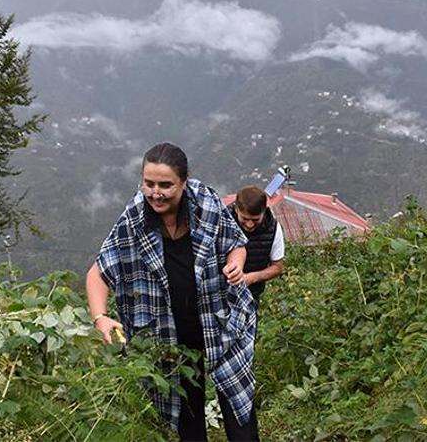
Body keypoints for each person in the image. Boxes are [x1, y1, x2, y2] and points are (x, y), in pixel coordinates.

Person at [86, 142, 260, 441]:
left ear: (184, 181)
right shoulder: (135, 219)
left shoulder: (206, 204)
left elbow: (236, 244)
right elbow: (99, 272)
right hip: (169, 337)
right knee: (186, 416)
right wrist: (100, 317)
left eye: (165, 185)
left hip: (221, 323)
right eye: (149, 183)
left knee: (238, 407)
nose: (156, 193)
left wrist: (234, 264)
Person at [228, 186, 285, 308]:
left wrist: (251, 278)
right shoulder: (223, 222)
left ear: (264, 211)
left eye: (255, 220)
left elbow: (277, 267)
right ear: (236, 209)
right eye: (245, 219)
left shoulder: (273, 229)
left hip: (251, 296)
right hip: (220, 294)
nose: (249, 224)